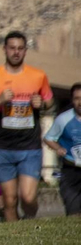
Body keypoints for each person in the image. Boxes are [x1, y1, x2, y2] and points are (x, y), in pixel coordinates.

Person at [0, 31, 53, 222]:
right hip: (3, 147)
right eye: (12, 48)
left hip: (29, 147)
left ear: (25, 51)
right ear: (4, 49)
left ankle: (29, 222)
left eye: (20, 48)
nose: (16, 52)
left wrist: (42, 104)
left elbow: (50, 102)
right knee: (9, 201)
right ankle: (16, 240)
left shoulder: (38, 76)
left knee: (28, 197)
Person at [41, 82, 81, 216]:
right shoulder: (64, 119)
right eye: (77, 98)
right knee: (73, 212)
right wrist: (58, 148)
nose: (80, 102)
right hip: (70, 170)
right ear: (72, 100)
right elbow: (48, 138)